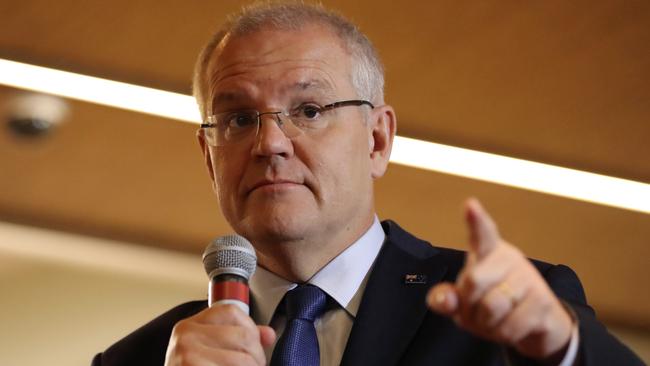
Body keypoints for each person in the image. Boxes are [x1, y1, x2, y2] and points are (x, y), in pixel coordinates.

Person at [92, 2, 643, 365]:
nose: (269, 143)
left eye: (308, 109)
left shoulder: (500, 320)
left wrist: (560, 346)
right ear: (211, 160)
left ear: (377, 140)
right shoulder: (137, 359)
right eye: (238, 120)